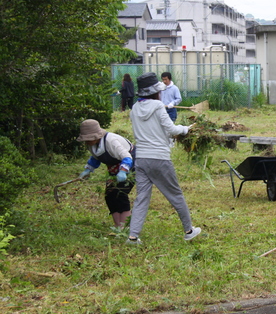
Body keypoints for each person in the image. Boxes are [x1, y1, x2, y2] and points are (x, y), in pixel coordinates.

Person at [127, 72, 201, 244]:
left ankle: (132, 236)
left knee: (142, 198)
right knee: (175, 194)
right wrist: (186, 129)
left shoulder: (134, 109)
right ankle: (189, 230)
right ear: (155, 92)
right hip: (159, 158)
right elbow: (171, 130)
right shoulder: (158, 106)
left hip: (141, 159)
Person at [76, 119, 135, 229]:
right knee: (110, 194)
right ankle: (118, 225)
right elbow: (95, 157)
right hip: (114, 167)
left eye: (88, 138)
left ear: (96, 136)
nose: (87, 141)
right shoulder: (91, 144)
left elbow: (126, 157)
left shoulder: (111, 141)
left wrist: (123, 171)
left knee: (120, 193)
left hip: (130, 162)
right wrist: (88, 170)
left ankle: (127, 227)